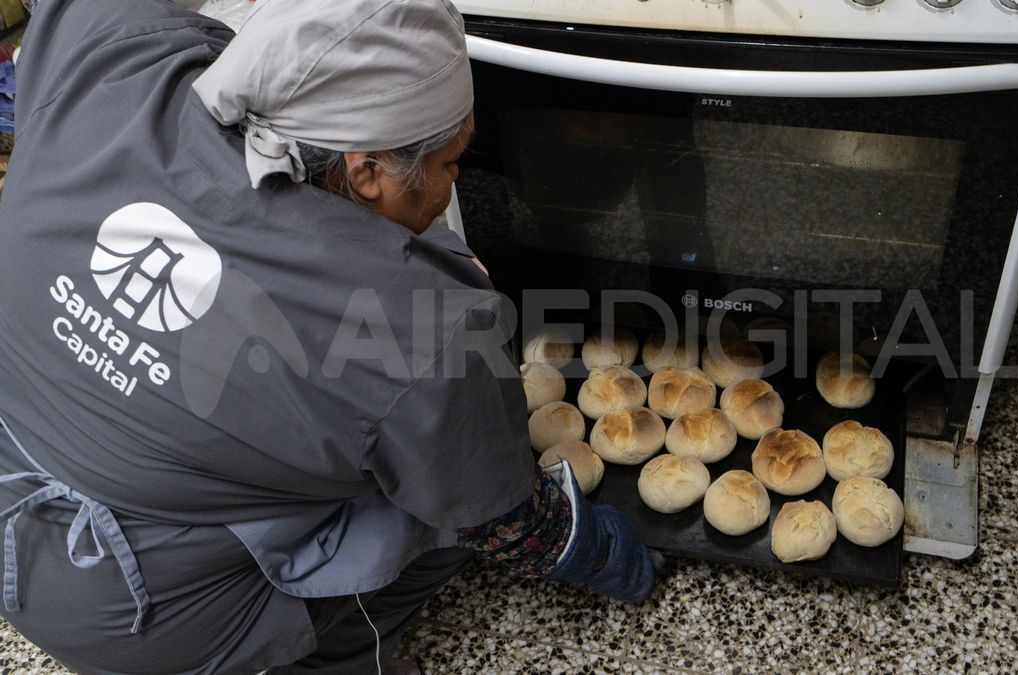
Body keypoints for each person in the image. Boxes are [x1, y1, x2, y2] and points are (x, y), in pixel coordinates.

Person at [0, 0, 657, 673]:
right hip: (152, 619)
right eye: (449, 161)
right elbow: (502, 517)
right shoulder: (412, 319)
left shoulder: (110, 61)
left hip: (11, 510)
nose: (454, 181)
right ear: (367, 168)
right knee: (432, 497)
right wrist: (603, 550)